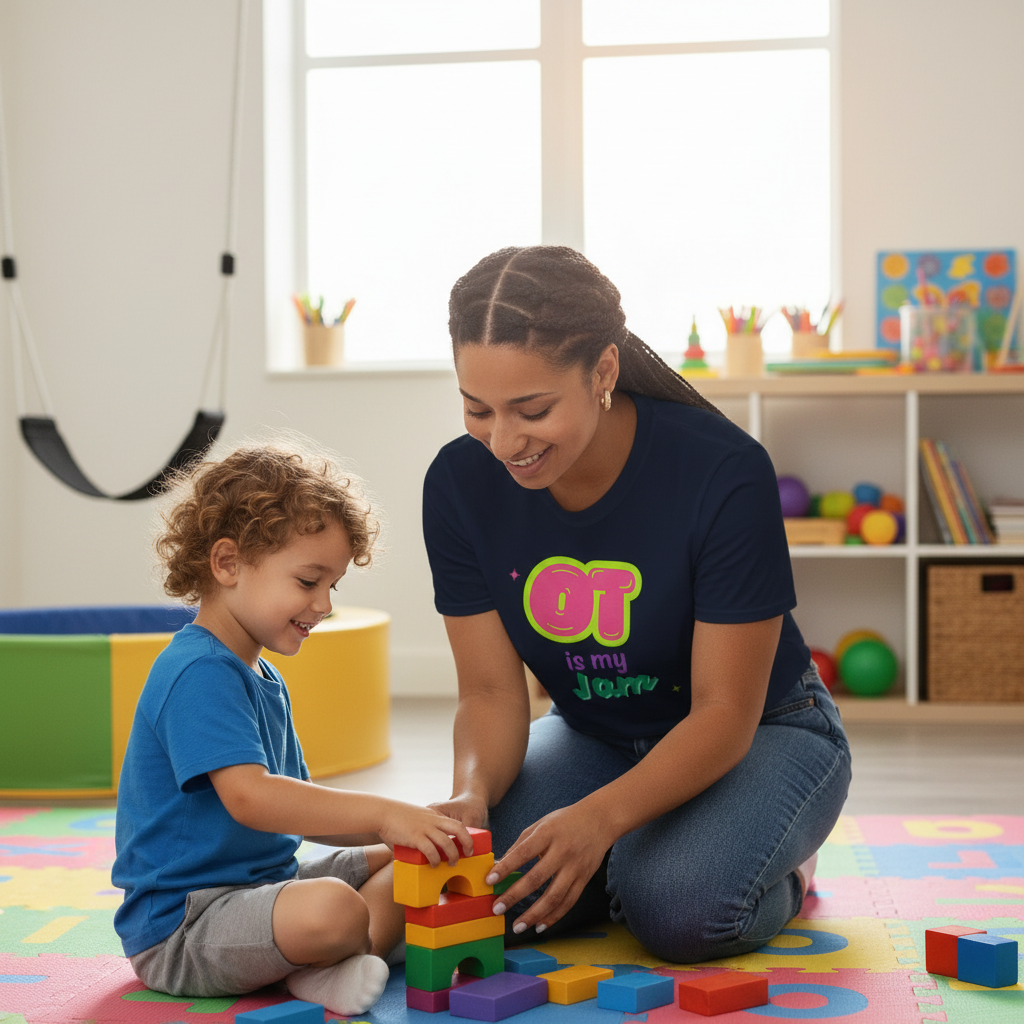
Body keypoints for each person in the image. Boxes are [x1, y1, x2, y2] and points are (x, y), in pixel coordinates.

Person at [423, 246, 851, 963]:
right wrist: (470, 795)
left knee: (677, 909)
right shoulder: (459, 485)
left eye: (532, 410)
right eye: (477, 409)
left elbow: (723, 713)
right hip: (597, 735)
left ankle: (786, 867)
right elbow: (493, 692)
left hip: (765, 730)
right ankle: (625, 861)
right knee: (488, 898)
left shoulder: (724, 472)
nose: (503, 441)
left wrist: (598, 821)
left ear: (604, 373)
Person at [113, 441, 473, 1015]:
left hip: (265, 888)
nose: (325, 604)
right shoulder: (198, 671)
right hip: (186, 926)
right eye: (309, 581)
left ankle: (341, 959)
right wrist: (384, 814)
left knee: (419, 857)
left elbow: (301, 815)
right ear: (227, 564)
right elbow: (253, 799)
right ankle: (326, 961)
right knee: (332, 909)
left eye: (333, 585)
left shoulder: (262, 675)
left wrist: (404, 827)